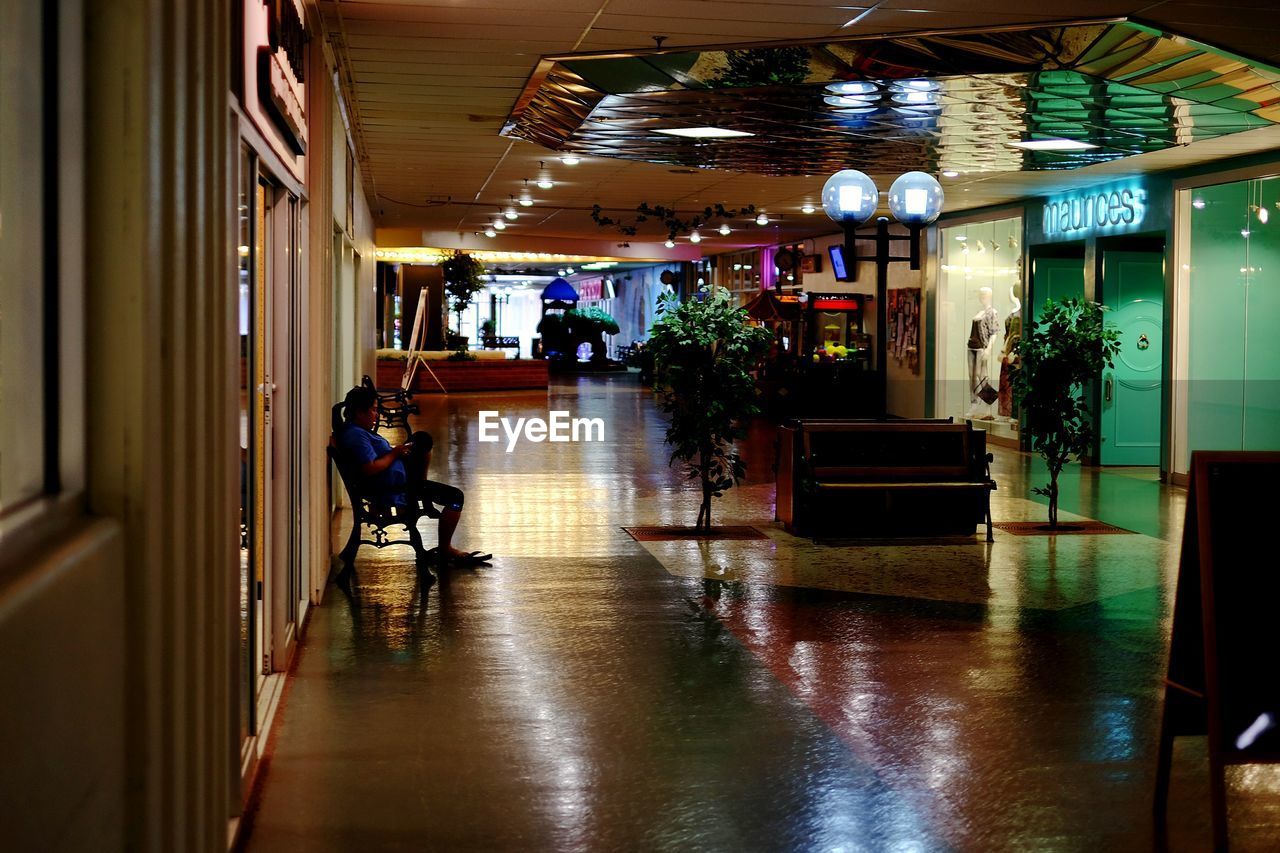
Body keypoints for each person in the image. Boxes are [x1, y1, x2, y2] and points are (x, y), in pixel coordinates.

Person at [336, 385, 490, 567]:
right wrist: (395, 454)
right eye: (373, 410)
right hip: (396, 488)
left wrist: (398, 451)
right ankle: (445, 548)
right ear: (359, 412)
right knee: (455, 498)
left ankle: (422, 489)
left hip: (399, 480)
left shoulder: (357, 431)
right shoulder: (356, 436)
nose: (376, 415)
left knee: (422, 441)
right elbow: (369, 468)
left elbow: (375, 459)